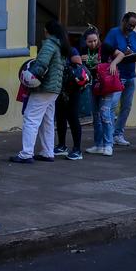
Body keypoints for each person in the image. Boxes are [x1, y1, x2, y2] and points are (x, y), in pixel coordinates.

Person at [11, 20, 68, 164]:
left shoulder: (49, 44)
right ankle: (47, 152)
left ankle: (26, 154)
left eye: (44, 31)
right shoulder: (62, 46)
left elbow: (41, 65)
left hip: (44, 88)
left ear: (48, 31)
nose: (44, 33)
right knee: (47, 121)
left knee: (31, 119)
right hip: (54, 89)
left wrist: (29, 77)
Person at [83, 27, 126, 156]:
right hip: (93, 85)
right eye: (90, 42)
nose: (93, 44)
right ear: (85, 41)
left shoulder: (105, 47)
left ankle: (108, 144)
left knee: (105, 115)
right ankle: (98, 144)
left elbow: (121, 54)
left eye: (95, 40)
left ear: (98, 38)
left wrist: (113, 63)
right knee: (96, 116)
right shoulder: (84, 51)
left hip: (107, 85)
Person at [105, 12, 136, 147]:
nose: (131, 28)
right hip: (117, 75)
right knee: (112, 105)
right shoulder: (113, 33)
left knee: (126, 106)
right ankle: (108, 134)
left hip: (131, 75)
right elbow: (106, 51)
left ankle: (118, 134)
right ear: (123, 21)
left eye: (134, 26)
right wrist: (121, 55)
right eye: (129, 25)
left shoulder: (134, 36)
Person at [54, 39, 85, 161]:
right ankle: (62, 145)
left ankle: (77, 149)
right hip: (60, 89)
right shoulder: (55, 52)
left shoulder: (71, 51)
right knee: (60, 117)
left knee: (73, 118)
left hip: (72, 89)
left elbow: (79, 66)